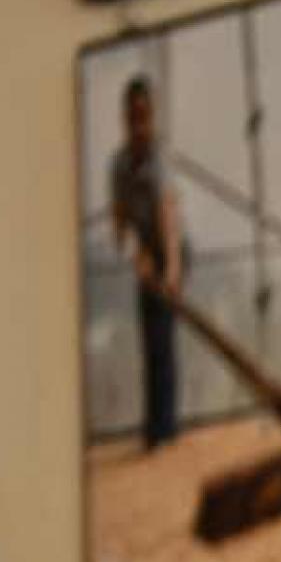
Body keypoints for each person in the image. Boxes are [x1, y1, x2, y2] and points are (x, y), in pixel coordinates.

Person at [106, 74, 184, 452]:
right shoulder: (119, 166)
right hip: (145, 255)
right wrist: (136, 254)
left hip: (171, 249)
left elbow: (168, 218)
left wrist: (171, 270)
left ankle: (167, 430)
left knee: (164, 338)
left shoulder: (160, 159)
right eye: (133, 116)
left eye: (145, 116)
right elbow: (119, 227)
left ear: (152, 117)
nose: (140, 124)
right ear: (125, 118)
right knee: (149, 341)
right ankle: (154, 429)